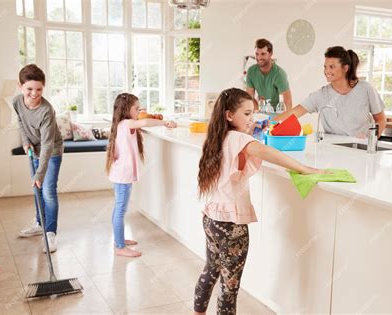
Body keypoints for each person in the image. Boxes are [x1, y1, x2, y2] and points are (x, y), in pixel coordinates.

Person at [193, 88, 326, 314]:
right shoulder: (239, 138)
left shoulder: (219, 136)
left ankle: (198, 312)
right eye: (246, 114)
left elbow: (243, 151)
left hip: (211, 219)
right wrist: (303, 168)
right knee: (229, 287)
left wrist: (250, 130)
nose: (251, 119)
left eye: (252, 114)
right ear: (228, 116)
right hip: (231, 226)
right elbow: (266, 151)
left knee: (211, 270)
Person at [105, 93, 177, 257]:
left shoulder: (122, 124)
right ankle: (119, 246)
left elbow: (142, 120)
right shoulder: (127, 123)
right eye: (136, 108)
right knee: (120, 210)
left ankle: (119, 239)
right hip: (122, 176)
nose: (139, 111)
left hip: (121, 174)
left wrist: (143, 113)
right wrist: (165, 122)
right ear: (126, 110)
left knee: (119, 209)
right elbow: (144, 122)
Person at [274, 46, 387, 137]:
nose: (327, 71)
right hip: (332, 149)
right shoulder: (321, 95)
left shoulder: (365, 89)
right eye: (325, 67)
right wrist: (266, 124)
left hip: (361, 149)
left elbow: (381, 119)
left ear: (345, 68)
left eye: (332, 67)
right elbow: (293, 113)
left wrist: (371, 140)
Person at [14, 64, 63, 253]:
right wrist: (25, 140)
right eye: (29, 89)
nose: (35, 94)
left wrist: (40, 174)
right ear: (20, 86)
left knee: (47, 190)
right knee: (36, 189)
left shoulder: (46, 111)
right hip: (34, 149)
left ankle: (50, 233)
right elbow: (20, 120)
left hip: (51, 151)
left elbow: (48, 145)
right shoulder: (17, 101)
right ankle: (39, 223)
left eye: (39, 89)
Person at [246, 38, 292, 112]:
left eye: (263, 54)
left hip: (278, 113)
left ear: (270, 53)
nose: (259, 57)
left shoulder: (279, 74)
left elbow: (288, 102)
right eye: (257, 54)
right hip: (262, 111)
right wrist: (258, 110)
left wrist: (286, 120)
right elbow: (249, 98)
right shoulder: (251, 71)